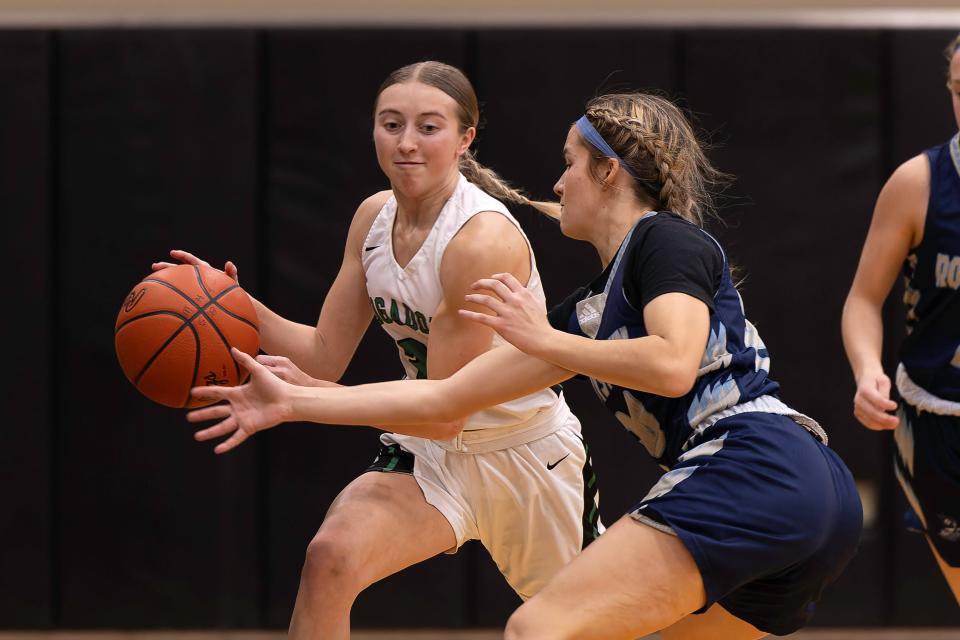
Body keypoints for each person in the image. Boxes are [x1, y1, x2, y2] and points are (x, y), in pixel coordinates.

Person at [189, 91, 863, 639]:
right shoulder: (584, 311)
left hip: (755, 459)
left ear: (608, 172)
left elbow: (673, 364)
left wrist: (542, 341)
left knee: (536, 629)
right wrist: (291, 401)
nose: (557, 180)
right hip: (810, 496)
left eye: (570, 162)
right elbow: (443, 400)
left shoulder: (666, 239)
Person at [156, 61, 602, 639]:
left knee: (588, 627)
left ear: (466, 138)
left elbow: (446, 409)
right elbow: (321, 354)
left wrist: (309, 398)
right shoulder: (374, 217)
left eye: (428, 127)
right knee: (331, 559)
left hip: (523, 454)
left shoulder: (478, 241)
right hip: (433, 454)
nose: (406, 143)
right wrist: (228, 306)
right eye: (391, 125)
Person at [842, 33, 960, 603]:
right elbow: (864, 300)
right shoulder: (919, 183)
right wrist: (868, 370)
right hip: (939, 419)